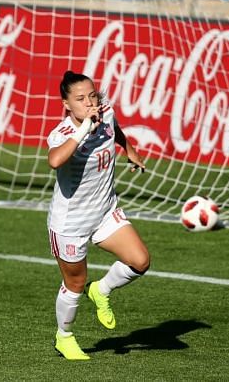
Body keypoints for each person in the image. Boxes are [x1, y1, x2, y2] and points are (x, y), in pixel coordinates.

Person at [47, 71, 150, 360]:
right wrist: (84, 130)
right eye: (80, 99)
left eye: (92, 95)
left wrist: (129, 150)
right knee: (75, 284)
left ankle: (101, 290)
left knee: (140, 261)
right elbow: (55, 160)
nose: (89, 102)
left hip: (105, 212)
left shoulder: (105, 113)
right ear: (66, 104)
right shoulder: (62, 134)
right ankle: (64, 337)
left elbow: (115, 130)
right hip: (71, 224)